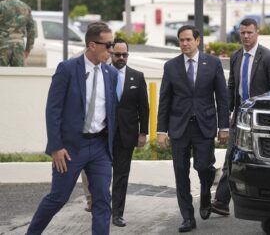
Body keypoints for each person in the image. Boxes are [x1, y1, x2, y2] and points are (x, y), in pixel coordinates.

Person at [26, 22, 117, 235]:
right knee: (58, 198)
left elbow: (111, 112)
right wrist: (56, 146)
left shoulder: (110, 74)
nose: (111, 50)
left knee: (103, 199)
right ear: (92, 45)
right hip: (70, 148)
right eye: (108, 45)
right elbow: (53, 110)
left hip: (100, 147)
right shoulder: (67, 69)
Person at [157, 25, 229, 233]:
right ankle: (188, 217)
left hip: (204, 126)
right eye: (181, 40)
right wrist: (161, 131)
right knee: (181, 173)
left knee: (204, 167)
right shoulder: (171, 66)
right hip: (178, 127)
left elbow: (222, 98)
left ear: (198, 41)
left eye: (188, 39)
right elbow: (164, 100)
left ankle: (206, 194)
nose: (185, 44)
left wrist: (224, 126)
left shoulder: (212, 63)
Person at [212, 18, 270, 216]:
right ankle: (220, 201)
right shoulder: (236, 56)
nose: (245, 36)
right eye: (242, 33)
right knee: (230, 159)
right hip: (239, 119)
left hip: (261, 122)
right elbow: (232, 87)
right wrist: (225, 114)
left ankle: (267, 203)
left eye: (249, 33)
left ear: (257, 33)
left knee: (260, 163)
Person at [111, 38, 149, 227]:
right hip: (103, 134)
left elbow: (144, 107)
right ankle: (99, 206)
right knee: (99, 174)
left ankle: (117, 213)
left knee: (121, 175)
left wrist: (143, 133)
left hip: (127, 134)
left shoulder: (137, 76)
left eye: (124, 54)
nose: (120, 58)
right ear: (111, 53)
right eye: (117, 54)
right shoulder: (102, 74)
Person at [0, 0, 35, 66]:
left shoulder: (1, 6)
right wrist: (28, 49)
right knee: (18, 76)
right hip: (19, 47)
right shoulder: (25, 7)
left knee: (1, 75)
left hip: (2, 47)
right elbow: (31, 30)